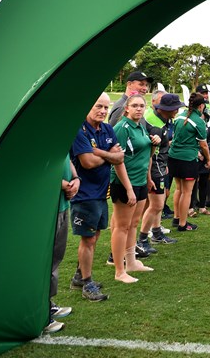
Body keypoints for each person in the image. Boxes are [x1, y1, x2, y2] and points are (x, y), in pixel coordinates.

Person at [69, 93, 124, 301]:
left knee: (95, 236)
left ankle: (78, 275)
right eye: (98, 107)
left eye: (105, 108)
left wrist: (99, 152)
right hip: (84, 195)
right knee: (88, 238)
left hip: (101, 193)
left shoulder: (108, 128)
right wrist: (107, 154)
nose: (102, 111)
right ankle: (87, 282)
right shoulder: (79, 130)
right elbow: (87, 162)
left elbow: (120, 157)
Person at [110, 95, 154, 283]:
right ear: (126, 108)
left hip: (140, 181)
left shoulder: (141, 127)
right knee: (122, 226)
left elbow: (143, 155)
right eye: (134, 105)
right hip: (124, 183)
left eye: (141, 106)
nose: (138, 109)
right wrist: (128, 189)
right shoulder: (122, 128)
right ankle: (119, 270)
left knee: (134, 224)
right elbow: (117, 161)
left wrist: (148, 179)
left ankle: (132, 262)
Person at [142, 92, 184, 246]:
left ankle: (156, 233)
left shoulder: (162, 120)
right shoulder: (156, 126)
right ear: (166, 109)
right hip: (155, 168)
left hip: (160, 167)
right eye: (175, 108)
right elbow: (151, 153)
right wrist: (154, 172)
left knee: (157, 204)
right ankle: (143, 238)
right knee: (156, 205)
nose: (177, 111)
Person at [168, 93, 210, 232]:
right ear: (201, 106)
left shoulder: (179, 116)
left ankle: (176, 217)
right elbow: (204, 145)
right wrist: (209, 159)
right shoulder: (198, 121)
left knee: (179, 189)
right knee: (187, 192)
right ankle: (183, 223)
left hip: (173, 156)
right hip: (187, 159)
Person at [46, 157, 78, 333]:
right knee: (44, 262)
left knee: (56, 258)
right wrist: (60, 182)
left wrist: (76, 179)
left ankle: (47, 305)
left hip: (62, 204)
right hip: (47, 207)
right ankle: (41, 314)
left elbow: (66, 157)